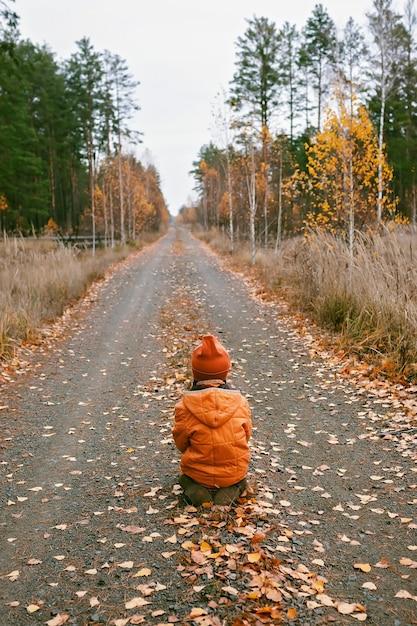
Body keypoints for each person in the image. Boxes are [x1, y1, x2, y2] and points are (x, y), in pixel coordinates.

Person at [172, 334, 252, 506]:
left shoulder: (184, 406)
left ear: (196, 373)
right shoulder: (240, 403)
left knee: (184, 478)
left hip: (198, 472)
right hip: (233, 471)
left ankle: (197, 491)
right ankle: (232, 489)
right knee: (237, 478)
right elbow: (246, 436)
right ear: (225, 372)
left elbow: (181, 443)